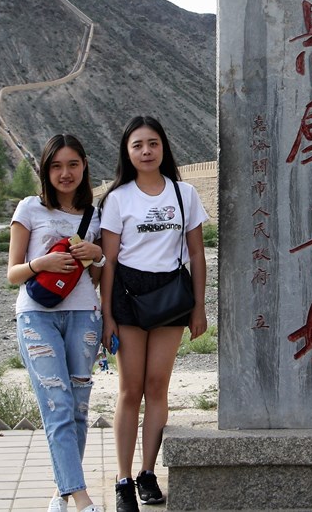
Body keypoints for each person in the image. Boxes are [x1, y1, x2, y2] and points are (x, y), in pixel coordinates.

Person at [99, 116, 209, 512]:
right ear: (127, 153)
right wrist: (107, 314)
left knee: (158, 386)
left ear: (163, 147)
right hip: (128, 295)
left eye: (153, 143)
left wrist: (200, 306)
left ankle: (148, 473)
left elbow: (197, 253)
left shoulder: (184, 194)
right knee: (130, 390)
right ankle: (123, 480)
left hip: (171, 297)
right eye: (137, 145)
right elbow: (108, 261)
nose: (146, 151)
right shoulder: (118, 198)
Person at [7, 134, 106, 512]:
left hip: (84, 315)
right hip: (36, 316)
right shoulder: (29, 208)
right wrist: (41, 264)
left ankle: (63, 492)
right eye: (56, 166)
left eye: (73, 165)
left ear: (84, 166)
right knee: (58, 404)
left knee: (78, 408)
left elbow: (96, 280)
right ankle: (82, 499)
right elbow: (12, 273)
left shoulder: (94, 215)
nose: (65, 174)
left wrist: (96, 255)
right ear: (46, 170)